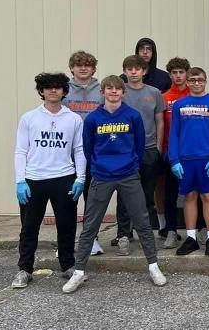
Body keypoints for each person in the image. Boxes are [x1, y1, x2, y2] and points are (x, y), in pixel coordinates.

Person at [63, 76, 166, 293]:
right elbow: (88, 148)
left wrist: (131, 164)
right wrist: (99, 166)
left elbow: (139, 146)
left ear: (123, 93)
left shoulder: (132, 115)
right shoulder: (93, 119)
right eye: (109, 89)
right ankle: (79, 271)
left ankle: (153, 266)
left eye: (117, 89)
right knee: (91, 225)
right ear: (102, 92)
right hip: (102, 176)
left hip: (128, 175)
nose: (113, 92)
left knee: (142, 222)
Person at [11, 72, 86, 289]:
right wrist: (20, 181)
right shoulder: (29, 118)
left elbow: (79, 150)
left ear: (64, 91)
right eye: (48, 87)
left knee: (67, 225)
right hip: (34, 180)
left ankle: (68, 265)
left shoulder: (73, 119)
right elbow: (21, 151)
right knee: (29, 227)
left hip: (64, 178)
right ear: (41, 91)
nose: (53, 90)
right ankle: (25, 269)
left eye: (58, 87)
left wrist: (80, 178)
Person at [169, 67, 209, 257]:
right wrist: (174, 159)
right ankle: (191, 238)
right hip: (185, 159)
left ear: (205, 81)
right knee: (189, 196)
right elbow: (174, 133)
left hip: (207, 158)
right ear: (187, 82)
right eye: (192, 80)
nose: (196, 83)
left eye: (200, 79)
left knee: (208, 196)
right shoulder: (179, 105)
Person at [112, 54, 166, 254]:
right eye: (129, 69)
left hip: (149, 150)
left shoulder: (154, 92)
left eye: (137, 69)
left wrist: (158, 147)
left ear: (144, 71)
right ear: (124, 71)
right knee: (123, 195)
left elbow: (159, 120)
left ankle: (146, 234)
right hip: (124, 152)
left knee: (147, 195)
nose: (133, 72)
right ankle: (123, 235)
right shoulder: (119, 93)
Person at [63, 50, 104, 256]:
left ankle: (92, 239)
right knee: (67, 199)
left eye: (87, 65)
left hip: (94, 152)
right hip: (68, 155)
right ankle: (66, 241)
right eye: (79, 65)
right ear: (72, 68)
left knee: (92, 199)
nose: (83, 68)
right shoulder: (64, 91)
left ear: (93, 69)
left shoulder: (102, 91)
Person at [159, 57, 191, 248]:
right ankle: (171, 231)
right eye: (174, 72)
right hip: (171, 153)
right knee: (170, 193)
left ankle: (197, 230)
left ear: (187, 74)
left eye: (181, 72)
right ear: (170, 75)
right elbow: (160, 125)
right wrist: (163, 149)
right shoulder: (164, 97)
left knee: (194, 192)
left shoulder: (193, 95)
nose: (178, 76)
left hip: (192, 153)